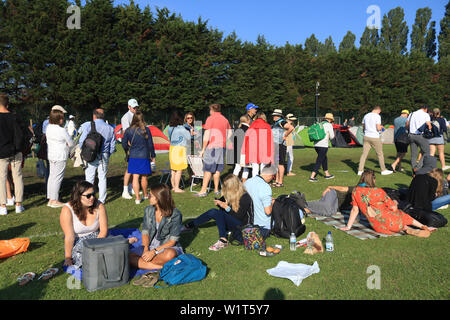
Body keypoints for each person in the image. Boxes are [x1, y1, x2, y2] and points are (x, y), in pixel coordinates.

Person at [340, 169, 436, 237]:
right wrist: (394, 202)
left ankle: (407, 229)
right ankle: (422, 227)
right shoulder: (378, 191)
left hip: (379, 227)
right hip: (392, 221)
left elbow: (354, 210)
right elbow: (393, 207)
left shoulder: (355, 191)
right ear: (373, 179)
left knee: (392, 220)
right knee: (401, 214)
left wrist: (348, 226)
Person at [181, 174, 253, 250]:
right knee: (213, 212)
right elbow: (224, 212)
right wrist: (220, 204)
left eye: (226, 187)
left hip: (243, 226)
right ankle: (189, 226)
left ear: (233, 187)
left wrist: (226, 207)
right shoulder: (230, 195)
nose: (225, 189)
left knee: (216, 212)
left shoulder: (245, 197)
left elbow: (239, 217)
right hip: (233, 222)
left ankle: (223, 241)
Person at [129, 183, 184, 270]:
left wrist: (154, 252)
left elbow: (172, 241)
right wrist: (146, 249)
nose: (148, 197)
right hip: (150, 244)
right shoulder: (148, 210)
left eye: (150, 195)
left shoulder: (175, 214)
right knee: (127, 256)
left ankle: (143, 263)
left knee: (170, 254)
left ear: (159, 198)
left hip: (165, 246)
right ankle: (161, 267)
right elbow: (145, 231)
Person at [60, 181, 108, 267]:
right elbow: (69, 236)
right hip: (78, 240)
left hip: (97, 238)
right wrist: (68, 258)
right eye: (88, 196)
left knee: (111, 253)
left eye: (93, 194)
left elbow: (103, 231)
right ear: (78, 196)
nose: (92, 198)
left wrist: (96, 246)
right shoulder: (67, 210)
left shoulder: (99, 205)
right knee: (85, 259)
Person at [78, 108, 116, 204]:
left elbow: (81, 141)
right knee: (102, 177)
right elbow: (113, 145)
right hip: (104, 154)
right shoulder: (110, 128)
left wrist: (84, 151)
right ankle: (102, 200)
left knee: (89, 177)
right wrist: (108, 153)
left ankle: (88, 197)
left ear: (94, 116)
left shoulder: (89, 126)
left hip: (91, 153)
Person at [195, 104, 231, 197]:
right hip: (222, 147)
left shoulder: (210, 118)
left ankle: (203, 191)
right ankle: (216, 190)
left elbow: (207, 134)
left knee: (208, 169)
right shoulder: (225, 119)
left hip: (212, 147)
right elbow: (229, 134)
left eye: (209, 110)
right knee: (217, 169)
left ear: (212, 110)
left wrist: (203, 149)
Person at [122, 111, 156, 204]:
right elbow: (150, 145)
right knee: (144, 177)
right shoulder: (146, 129)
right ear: (142, 118)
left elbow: (124, 143)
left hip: (133, 155)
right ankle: (145, 195)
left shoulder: (128, 130)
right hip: (144, 155)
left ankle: (137, 198)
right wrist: (153, 156)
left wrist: (129, 149)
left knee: (135, 177)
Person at [0, 93, 25, 215]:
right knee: (18, 177)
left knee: (1, 178)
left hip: (2, 153)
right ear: (7, 104)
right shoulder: (15, 116)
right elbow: (23, 133)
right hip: (16, 151)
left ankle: (3, 206)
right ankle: (18, 204)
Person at [46, 106, 74, 208]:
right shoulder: (61, 130)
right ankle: (54, 200)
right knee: (57, 178)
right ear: (58, 119)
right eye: (61, 118)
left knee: (52, 176)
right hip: (60, 156)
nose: (63, 119)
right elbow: (71, 143)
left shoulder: (48, 128)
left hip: (51, 155)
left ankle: (50, 198)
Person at [243, 165, 277, 239]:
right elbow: (268, 211)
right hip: (263, 225)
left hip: (248, 222)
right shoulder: (265, 186)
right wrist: (272, 203)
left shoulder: (247, 182)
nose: (272, 180)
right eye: (273, 177)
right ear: (270, 175)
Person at [357, 106, 393, 176]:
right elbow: (378, 128)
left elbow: (363, 126)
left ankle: (360, 170)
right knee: (380, 154)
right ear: (378, 110)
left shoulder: (366, 115)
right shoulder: (377, 116)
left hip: (366, 136)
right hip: (375, 137)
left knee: (364, 154)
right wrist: (382, 127)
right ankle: (383, 170)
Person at [242, 112, 274, 177]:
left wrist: (244, 151)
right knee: (263, 166)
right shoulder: (267, 126)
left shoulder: (251, 126)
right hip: (264, 149)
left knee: (255, 167)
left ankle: (255, 181)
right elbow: (270, 140)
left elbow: (246, 139)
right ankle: (263, 181)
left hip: (253, 149)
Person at [168, 111, 191, 193]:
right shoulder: (182, 128)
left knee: (173, 169)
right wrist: (191, 132)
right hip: (179, 149)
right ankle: (177, 188)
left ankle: (173, 187)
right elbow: (188, 137)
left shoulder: (170, 128)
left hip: (172, 148)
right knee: (179, 169)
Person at [121, 99, 139, 199]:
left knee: (134, 168)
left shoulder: (135, 115)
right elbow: (126, 133)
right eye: (133, 107)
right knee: (129, 168)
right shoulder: (125, 117)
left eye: (136, 107)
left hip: (136, 145)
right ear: (129, 107)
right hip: (131, 146)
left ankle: (132, 187)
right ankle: (125, 190)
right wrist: (130, 146)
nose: (135, 109)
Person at [309, 113, 335, 182]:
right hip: (323, 145)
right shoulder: (329, 125)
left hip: (316, 144)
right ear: (330, 119)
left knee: (324, 158)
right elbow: (332, 136)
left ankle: (327, 174)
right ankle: (312, 176)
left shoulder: (320, 124)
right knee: (319, 160)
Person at [271, 109, 294, 187]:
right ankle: (277, 180)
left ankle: (280, 182)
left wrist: (285, 135)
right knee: (276, 163)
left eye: (274, 115)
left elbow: (291, 128)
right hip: (276, 145)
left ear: (278, 116)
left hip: (280, 145)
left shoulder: (281, 122)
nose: (273, 117)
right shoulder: (276, 123)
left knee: (280, 164)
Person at [406, 105, 432, 172]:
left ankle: (414, 170)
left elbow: (407, 124)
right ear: (425, 109)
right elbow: (429, 126)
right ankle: (418, 168)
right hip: (420, 135)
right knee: (427, 152)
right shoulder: (425, 115)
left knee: (413, 155)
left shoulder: (412, 113)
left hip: (411, 135)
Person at [231, 115, 251, 181]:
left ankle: (233, 183)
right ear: (248, 121)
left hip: (237, 151)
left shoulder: (237, 129)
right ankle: (243, 183)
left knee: (237, 167)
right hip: (245, 151)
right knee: (246, 168)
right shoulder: (249, 130)